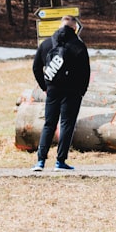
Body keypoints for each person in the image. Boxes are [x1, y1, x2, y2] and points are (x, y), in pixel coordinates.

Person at [31, 15, 90, 171]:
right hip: (72, 92)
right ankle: (60, 161)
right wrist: (81, 91)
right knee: (66, 125)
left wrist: (45, 86)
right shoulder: (78, 45)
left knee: (49, 124)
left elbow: (36, 67)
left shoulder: (47, 44)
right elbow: (85, 72)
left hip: (52, 90)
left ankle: (40, 161)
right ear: (74, 28)